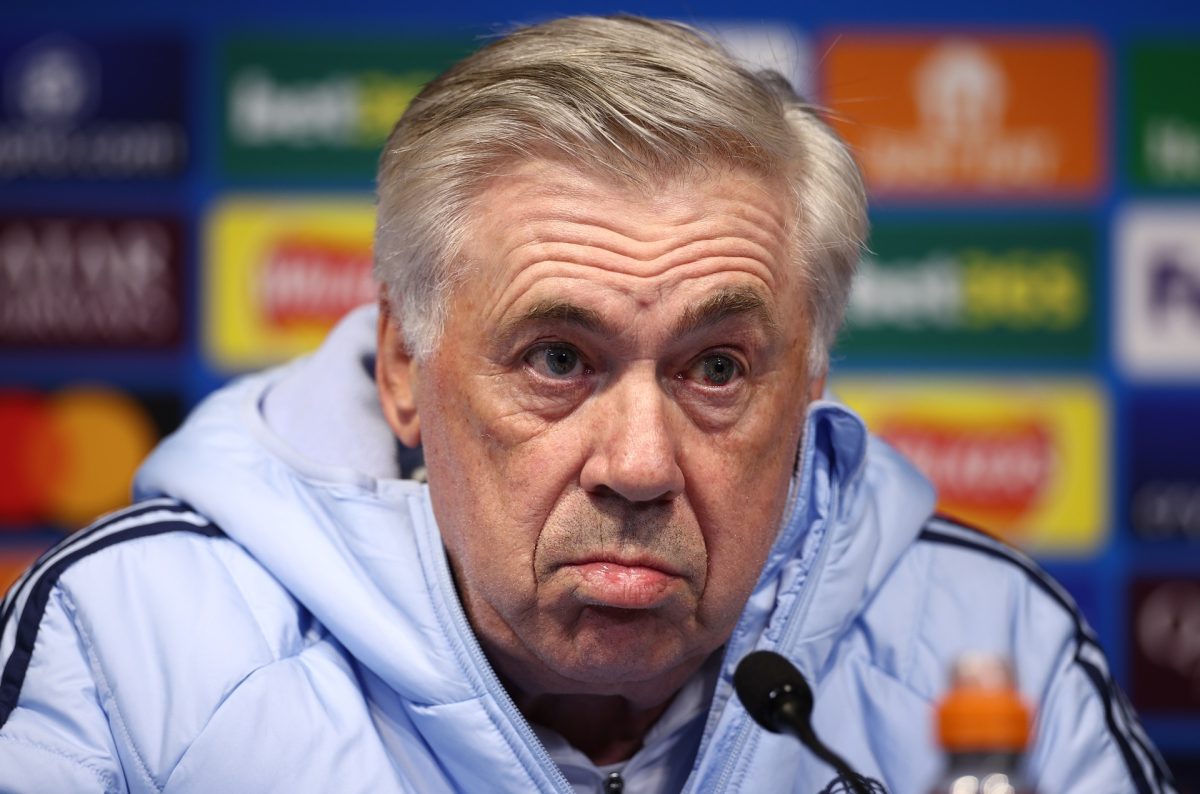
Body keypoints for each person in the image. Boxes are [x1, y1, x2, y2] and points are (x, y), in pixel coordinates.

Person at [0, 15, 1175, 794]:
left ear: (810, 384)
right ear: (404, 366)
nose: (639, 463)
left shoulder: (994, 645)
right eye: (558, 358)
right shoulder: (131, 641)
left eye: (718, 369)